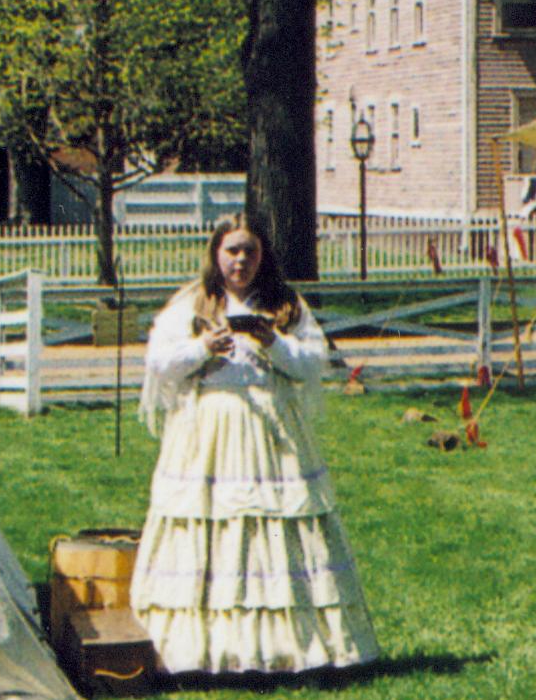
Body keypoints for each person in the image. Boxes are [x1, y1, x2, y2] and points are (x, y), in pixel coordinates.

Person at [132, 216, 380, 676]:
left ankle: (291, 647)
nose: (241, 260)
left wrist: (274, 343)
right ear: (216, 254)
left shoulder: (285, 305)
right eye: (232, 251)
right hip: (208, 430)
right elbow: (160, 364)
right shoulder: (192, 302)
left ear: (263, 256)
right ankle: (200, 650)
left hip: (271, 432)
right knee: (210, 523)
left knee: (277, 525)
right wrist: (203, 348)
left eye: (250, 251)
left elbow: (312, 363)